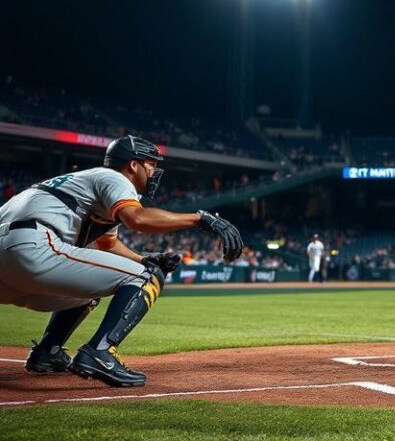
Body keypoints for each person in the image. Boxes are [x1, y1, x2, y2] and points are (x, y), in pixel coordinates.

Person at [0, 135, 243, 387]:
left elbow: (108, 244)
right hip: (32, 246)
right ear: (133, 165)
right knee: (145, 277)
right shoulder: (115, 177)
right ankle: (99, 353)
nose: (154, 172)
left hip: (9, 255)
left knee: (93, 290)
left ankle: (48, 352)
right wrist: (201, 219)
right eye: (150, 165)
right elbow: (137, 220)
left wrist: (145, 258)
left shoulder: (83, 183)